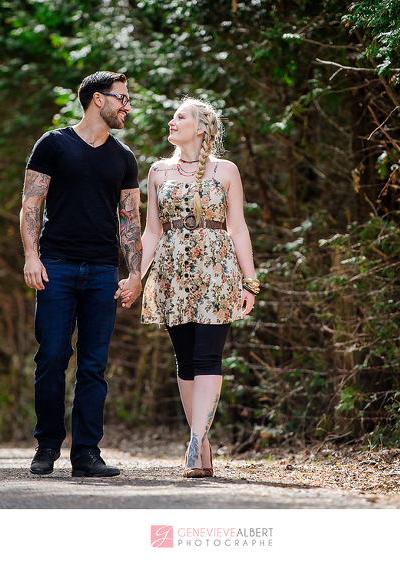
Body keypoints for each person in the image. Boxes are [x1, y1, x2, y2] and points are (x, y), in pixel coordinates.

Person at [19, 71, 142, 477]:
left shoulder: (124, 157)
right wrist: (31, 256)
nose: (127, 106)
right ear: (96, 99)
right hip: (56, 266)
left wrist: (135, 273)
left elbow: (130, 219)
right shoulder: (53, 144)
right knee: (52, 357)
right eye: (121, 98)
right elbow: (31, 204)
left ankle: (87, 453)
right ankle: (47, 445)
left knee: (94, 365)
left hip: (104, 271)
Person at [136, 97, 259, 478]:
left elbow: (237, 227)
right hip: (173, 273)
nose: (171, 122)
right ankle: (202, 444)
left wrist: (250, 281)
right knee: (185, 361)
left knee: (208, 356)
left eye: (180, 117)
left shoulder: (226, 171)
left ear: (201, 128)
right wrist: (133, 278)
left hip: (217, 270)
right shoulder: (158, 171)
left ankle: (193, 442)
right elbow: (152, 232)